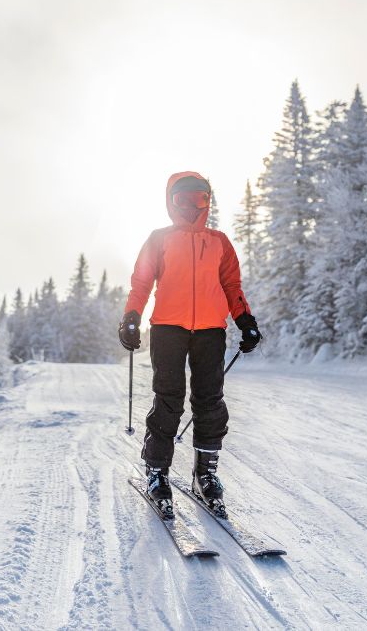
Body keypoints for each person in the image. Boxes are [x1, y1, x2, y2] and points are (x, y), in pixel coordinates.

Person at [118, 171, 261, 514]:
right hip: (168, 328)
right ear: (172, 202)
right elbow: (141, 282)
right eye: (186, 199)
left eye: (201, 199)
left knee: (210, 400)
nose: (194, 206)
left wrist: (245, 321)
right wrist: (131, 317)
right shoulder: (159, 238)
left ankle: (205, 473)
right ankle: (157, 472)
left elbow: (232, 286)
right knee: (169, 398)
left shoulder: (219, 242)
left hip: (211, 330)